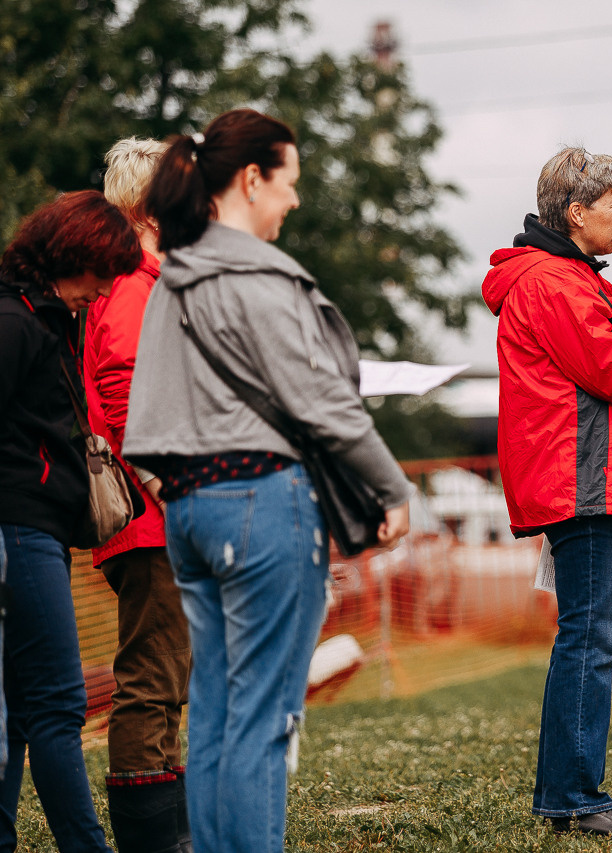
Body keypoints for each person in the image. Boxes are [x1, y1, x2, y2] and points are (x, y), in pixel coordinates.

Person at [122, 108, 413, 853]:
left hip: (188, 513)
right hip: (263, 503)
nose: (295, 200)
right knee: (266, 720)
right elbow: (323, 402)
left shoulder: (171, 279)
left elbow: (141, 419)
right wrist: (391, 486)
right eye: (290, 182)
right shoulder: (258, 276)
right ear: (252, 179)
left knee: (216, 717)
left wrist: (175, 489)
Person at [481, 146, 612, 837]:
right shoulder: (555, 284)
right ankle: (576, 796)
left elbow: (602, 355)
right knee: (589, 640)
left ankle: (563, 794)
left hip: (583, 477)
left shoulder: (560, 278)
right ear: (576, 214)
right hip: (587, 482)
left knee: (584, 636)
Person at [0, 190, 142, 852]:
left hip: (38, 530)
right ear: (73, 253)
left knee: (16, 715)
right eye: (102, 269)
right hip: (19, 530)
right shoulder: (16, 321)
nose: (106, 286)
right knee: (57, 703)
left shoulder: (50, 318)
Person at [84, 136, 193, 853]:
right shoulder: (132, 285)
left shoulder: (146, 280)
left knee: (166, 673)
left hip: (160, 514)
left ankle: (169, 829)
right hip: (152, 515)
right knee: (152, 676)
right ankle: (154, 840)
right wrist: (177, 484)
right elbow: (124, 388)